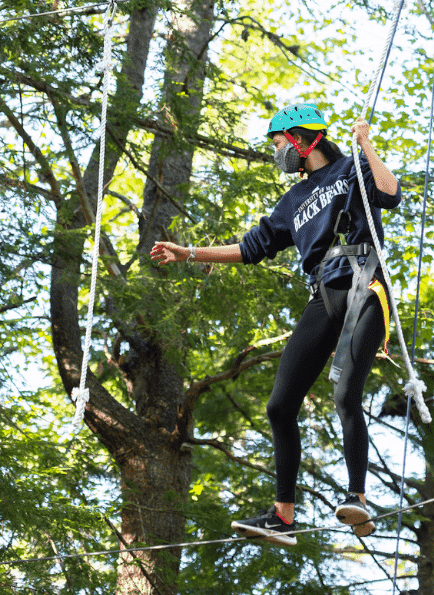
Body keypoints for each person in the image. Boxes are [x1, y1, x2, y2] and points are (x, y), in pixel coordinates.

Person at [151, 103, 400, 546]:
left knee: (345, 394)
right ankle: (283, 515)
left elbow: (390, 193)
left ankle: (357, 496)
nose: (277, 153)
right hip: (324, 294)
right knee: (279, 405)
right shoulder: (292, 202)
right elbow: (250, 248)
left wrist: (365, 144)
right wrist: (187, 252)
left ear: (305, 140)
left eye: (280, 144)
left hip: (365, 284)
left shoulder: (351, 169)